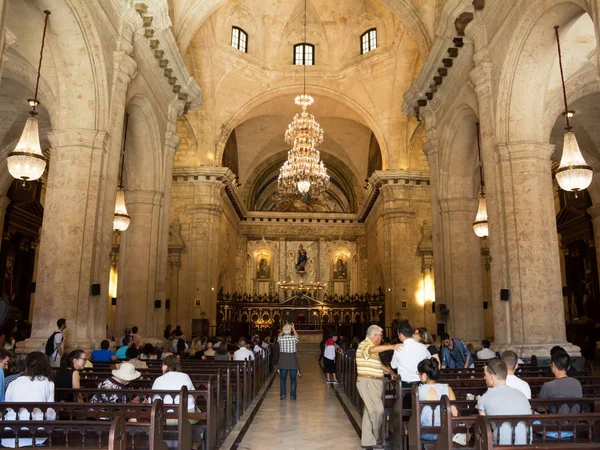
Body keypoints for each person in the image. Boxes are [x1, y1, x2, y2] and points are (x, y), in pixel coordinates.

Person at [355, 325, 402, 450]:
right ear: (375, 336)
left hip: (374, 383)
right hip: (367, 382)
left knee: (368, 411)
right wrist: (391, 346)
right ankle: (376, 435)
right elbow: (371, 350)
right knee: (377, 410)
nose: (382, 338)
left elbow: (377, 363)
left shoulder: (372, 348)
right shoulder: (365, 344)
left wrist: (390, 371)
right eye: (381, 335)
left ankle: (367, 441)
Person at [476, 359, 531, 445]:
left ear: (491, 377)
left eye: (485, 375)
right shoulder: (521, 395)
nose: (484, 377)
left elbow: (484, 430)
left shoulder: (484, 399)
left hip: (499, 446)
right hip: (526, 445)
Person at [417, 358, 458, 441]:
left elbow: (416, 414)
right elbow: (455, 413)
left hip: (425, 432)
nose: (418, 376)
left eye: (419, 373)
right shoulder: (447, 388)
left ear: (424, 375)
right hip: (446, 432)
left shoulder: (418, 390)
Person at [152, 355, 196, 421]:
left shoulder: (158, 380)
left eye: (162, 365)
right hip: (186, 416)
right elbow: (193, 396)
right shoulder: (185, 376)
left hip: (162, 418)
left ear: (165, 366)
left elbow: (153, 399)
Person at [390, 323, 431, 387]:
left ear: (401, 335)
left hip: (404, 384)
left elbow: (393, 366)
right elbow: (429, 360)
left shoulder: (398, 348)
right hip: (420, 383)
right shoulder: (422, 347)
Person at [277, 323, 299, 400]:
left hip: (283, 361)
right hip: (292, 361)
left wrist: (284, 329)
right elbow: (297, 336)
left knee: (283, 379)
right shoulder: (293, 338)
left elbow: (279, 335)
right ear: (290, 331)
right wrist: (293, 328)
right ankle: (293, 396)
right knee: (293, 379)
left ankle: (283, 395)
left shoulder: (280, 338)